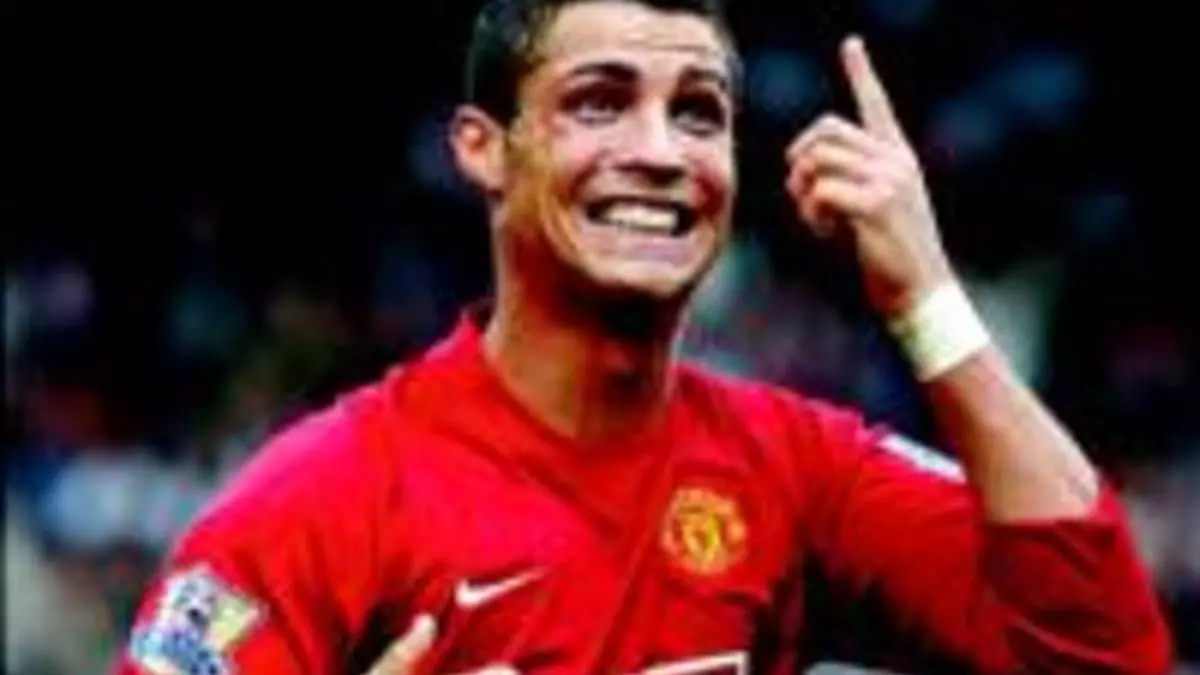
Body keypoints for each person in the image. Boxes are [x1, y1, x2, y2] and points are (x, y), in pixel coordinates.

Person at [116, 0, 1173, 673]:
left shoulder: (800, 469)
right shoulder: (325, 498)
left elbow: (1109, 655)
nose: (662, 152)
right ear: (484, 149)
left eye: (700, 112)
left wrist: (927, 300)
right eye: (599, 103)